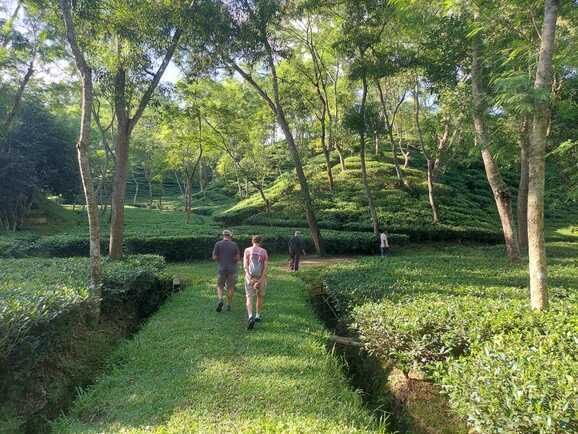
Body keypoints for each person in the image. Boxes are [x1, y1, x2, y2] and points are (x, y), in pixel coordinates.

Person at [243, 235, 268, 330]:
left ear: (252, 241)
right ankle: (257, 315)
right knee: (260, 296)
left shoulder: (247, 250)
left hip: (250, 277)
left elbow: (245, 266)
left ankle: (250, 316)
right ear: (260, 242)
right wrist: (260, 280)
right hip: (260, 277)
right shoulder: (263, 251)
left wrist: (250, 278)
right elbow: (265, 268)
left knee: (249, 297)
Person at [212, 229, 240, 312]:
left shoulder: (218, 244)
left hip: (221, 269)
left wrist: (220, 260)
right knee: (230, 287)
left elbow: (214, 257)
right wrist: (233, 261)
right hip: (232, 269)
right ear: (230, 236)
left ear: (223, 235)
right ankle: (228, 304)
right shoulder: (234, 244)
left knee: (220, 286)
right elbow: (238, 258)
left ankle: (220, 299)